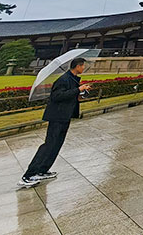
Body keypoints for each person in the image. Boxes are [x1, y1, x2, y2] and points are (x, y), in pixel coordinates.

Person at [18, 58, 92, 188]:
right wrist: (77, 89)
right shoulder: (63, 79)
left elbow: (70, 95)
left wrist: (80, 94)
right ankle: (28, 175)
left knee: (57, 144)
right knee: (49, 145)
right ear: (78, 66)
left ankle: (43, 169)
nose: (83, 68)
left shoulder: (73, 79)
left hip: (65, 116)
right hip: (57, 116)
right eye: (82, 66)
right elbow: (56, 96)